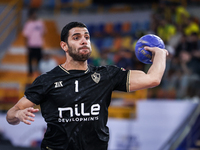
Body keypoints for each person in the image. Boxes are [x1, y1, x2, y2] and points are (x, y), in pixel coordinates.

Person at [6, 22, 168, 150]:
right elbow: (11, 114)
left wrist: (160, 54)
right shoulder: (47, 80)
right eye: (76, 37)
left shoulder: (107, 75)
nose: (84, 40)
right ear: (64, 46)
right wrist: (19, 115)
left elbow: (152, 79)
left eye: (87, 37)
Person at [23, 8, 46, 76]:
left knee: (39, 60)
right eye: (33, 13)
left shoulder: (40, 23)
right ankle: (30, 74)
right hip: (31, 45)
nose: (35, 14)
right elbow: (26, 36)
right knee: (30, 61)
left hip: (38, 45)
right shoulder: (28, 24)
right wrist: (27, 45)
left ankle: (39, 74)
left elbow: (43, 32)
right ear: (30, 15)